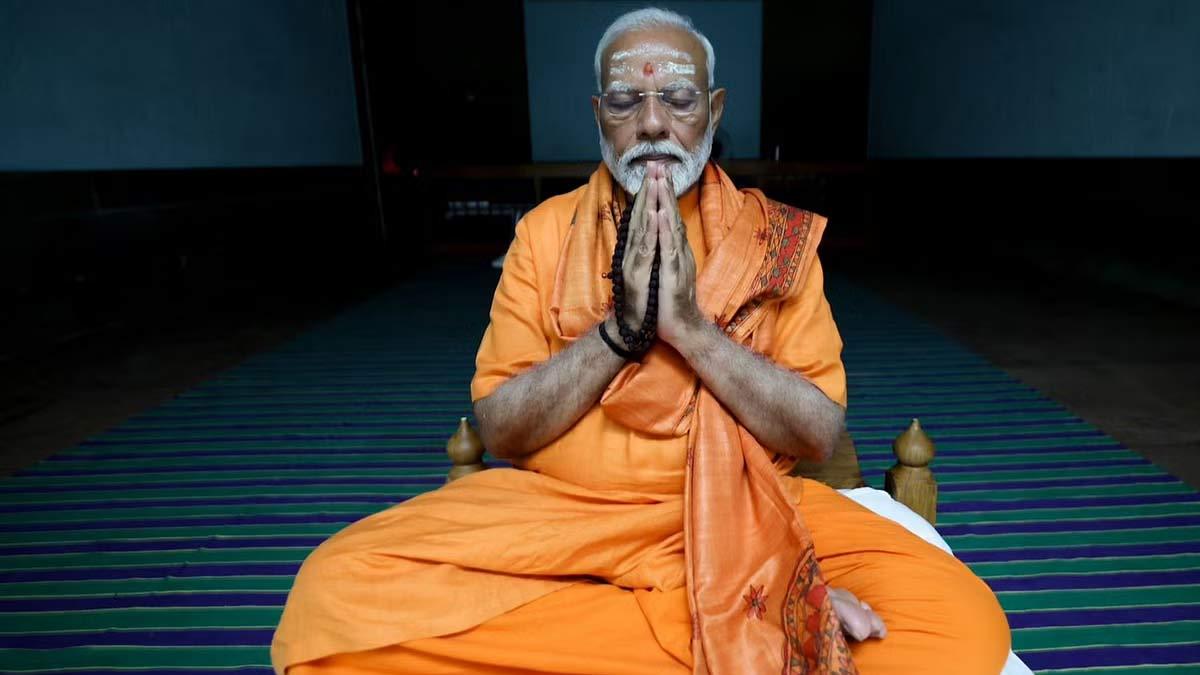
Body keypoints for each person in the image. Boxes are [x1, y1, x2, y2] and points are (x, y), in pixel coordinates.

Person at [272, 8, 1010, 674]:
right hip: (568, 513)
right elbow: (501, 427)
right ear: (600, 115)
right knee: (333, 591)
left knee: (962, 625)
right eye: (626, 101)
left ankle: (708, 609)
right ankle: (733, 622)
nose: (652, 123)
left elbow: (818, 430)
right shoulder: (543, 234)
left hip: (755, 511)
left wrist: (690, 329)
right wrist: (619, 332)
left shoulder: (776, 240)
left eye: (679, 99)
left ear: (712, 111)